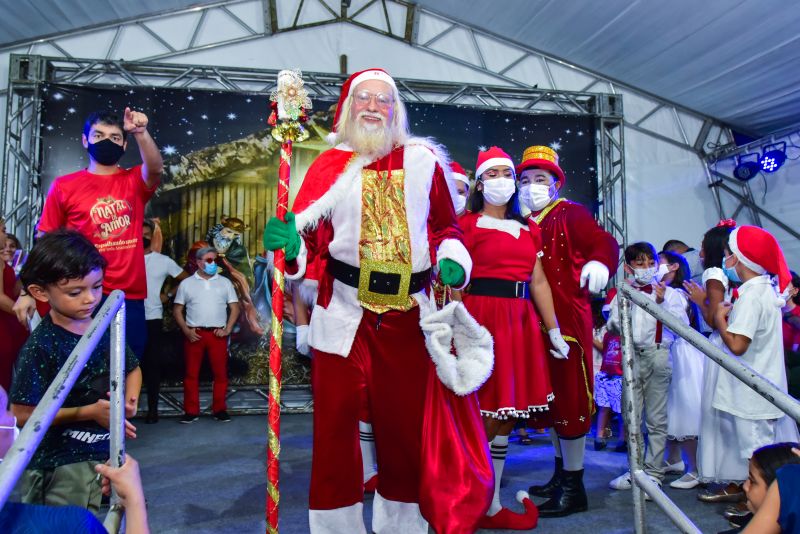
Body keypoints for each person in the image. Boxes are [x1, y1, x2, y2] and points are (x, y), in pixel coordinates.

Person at [264, 68, 491, 533]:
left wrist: (452, 256)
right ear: (348, 109)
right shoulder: (328, 166)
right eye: (362, 98)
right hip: (343, 312)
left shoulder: (425, 161)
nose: (372, 106)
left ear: (395, 110)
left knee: (403, 434)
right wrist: (289, 250)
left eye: (382, 99)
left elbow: (447, 227)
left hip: (408, 316)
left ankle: (402, 527)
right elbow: (308, 243)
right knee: (332, 435)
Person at [458, 146, 566, 529]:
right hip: (480, 320)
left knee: (506, 416)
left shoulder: (528, 228)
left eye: (508, 173)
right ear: (479, 181)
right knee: (481, 415)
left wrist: (553, 329)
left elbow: (538, 281)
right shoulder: (465, 225)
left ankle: (490, 502)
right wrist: (457, 323)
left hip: (519, 324)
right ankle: (463, 497)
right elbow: (454, 280)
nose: (502, 180)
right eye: (493, 174)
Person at [13, 108, 163, 364]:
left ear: (124, 144)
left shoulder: (134, 180)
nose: (107, 141)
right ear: (85, 141)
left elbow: (156, 167)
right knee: (79, 371)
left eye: (115, 137)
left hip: (130, 296)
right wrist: (27, 291)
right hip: (81, 293)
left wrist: (140, 132)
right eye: (99, 135)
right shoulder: (64, 186)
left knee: (127, 369)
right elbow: (45, 242)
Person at [516, 145, 619, 517]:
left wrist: (600, 261)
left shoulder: (569, 214)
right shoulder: (523, 221)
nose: (531, 186)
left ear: (556, 184)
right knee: (553, 403)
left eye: (540, 179)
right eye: (525, 180)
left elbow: (603, 241)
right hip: (533, 326)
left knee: (570, 401)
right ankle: (561, 474)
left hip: (566, 326)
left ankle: (574, 487)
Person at [10, 230, 141, 513]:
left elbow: (132, 367)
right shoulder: (41, 346)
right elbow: (22, 413)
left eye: (97, 287)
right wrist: (88, 412)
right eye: (75, 292)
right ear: (40, 292)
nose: (90, 299)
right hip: (59, 463)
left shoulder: (102, 323)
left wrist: (128, 401)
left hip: (100, 451)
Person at [711, 226, 799, 493]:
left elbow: (738, 345)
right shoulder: (763, 289)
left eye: (727, 253)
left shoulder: (751, 295)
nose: (725, 259)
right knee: (757, 449)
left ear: (738, 257)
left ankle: (761, 509)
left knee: (757, 453)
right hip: (760, 385)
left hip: (753, 391)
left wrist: (719, 320)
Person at [606, 242, 686, 493]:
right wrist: (625, 307)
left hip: (658, 354)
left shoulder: (670, 294)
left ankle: (654, 474)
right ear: (629, 267)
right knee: (631, 416)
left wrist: (660, 303)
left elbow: (681, 327)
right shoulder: (625, 292)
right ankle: (635, 470)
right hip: (631, 357)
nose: (647, 268)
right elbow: (613, 325)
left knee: (656, 418)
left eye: (651, 262)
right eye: (640, 263)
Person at [654, 250, 705, 490]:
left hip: (681, 354)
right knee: (670, 408)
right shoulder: (667, 291)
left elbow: (677, 324)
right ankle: (673, 459)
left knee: (685, 409)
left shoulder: (678, 293)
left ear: (673, 267)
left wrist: (661, 301)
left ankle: (694, 468)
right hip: (671, 351)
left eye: (659, 263)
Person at [173, 246, 240, 423]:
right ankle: (191, 411)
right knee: (191, 375)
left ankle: (219, 410)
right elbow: (177, 310)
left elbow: (235, 307)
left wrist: (227, 329)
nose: (213, 264)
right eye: (209, 260)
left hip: (217, 336)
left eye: (214, 260)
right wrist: (186, 331)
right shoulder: (187, 284)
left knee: (220, 374)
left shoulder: (225, 282)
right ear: (198, 262)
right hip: (195, 335)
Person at [142, 219, 188, 423]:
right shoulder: (124, 259)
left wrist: (168, 295)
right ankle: (121, 411)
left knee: (152, 365)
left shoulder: (163, 261)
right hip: (126, 318)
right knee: (124, 366)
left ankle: (153, 410)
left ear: (152, 237)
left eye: (146, 233)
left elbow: (186, 278)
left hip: (152, 317)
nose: (143, 237)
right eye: (139, 233)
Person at [0, 218, 28, 391]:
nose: (5, 234)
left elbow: (13, 290)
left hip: (10, 326)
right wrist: (21, 313)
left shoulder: (3, 262)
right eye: (3, 230)